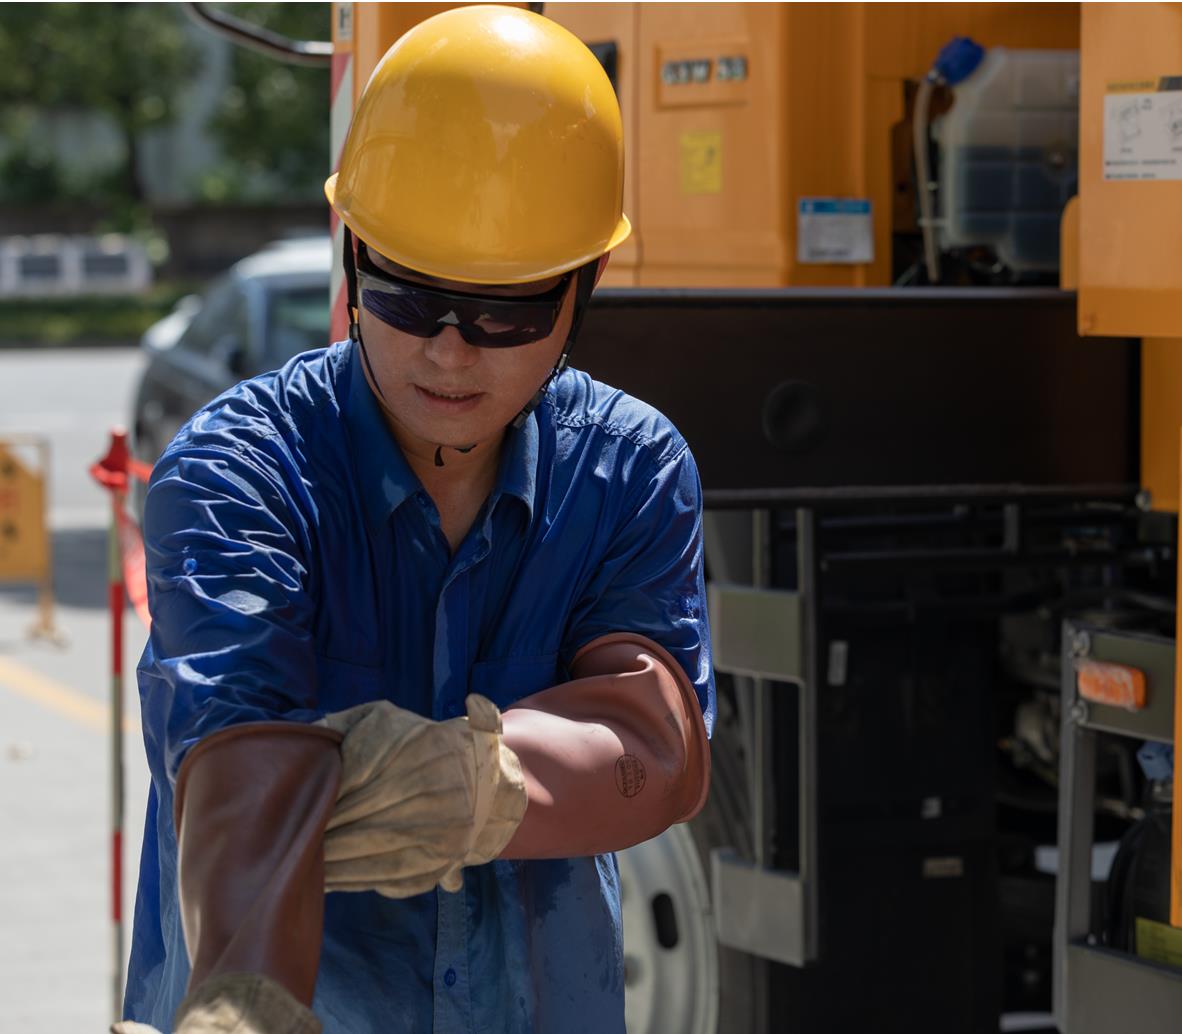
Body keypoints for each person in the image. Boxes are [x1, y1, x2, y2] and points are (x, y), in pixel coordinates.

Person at [116, 7, 713, 1033]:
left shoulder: (628, 468)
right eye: (405, 294)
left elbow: (655, 739)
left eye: (504, 311)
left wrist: (485, 781)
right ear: (352, 256)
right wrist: (245, 998)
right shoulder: (241, 469)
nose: (448, 351)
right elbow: (236, 749)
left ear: (584, 287)